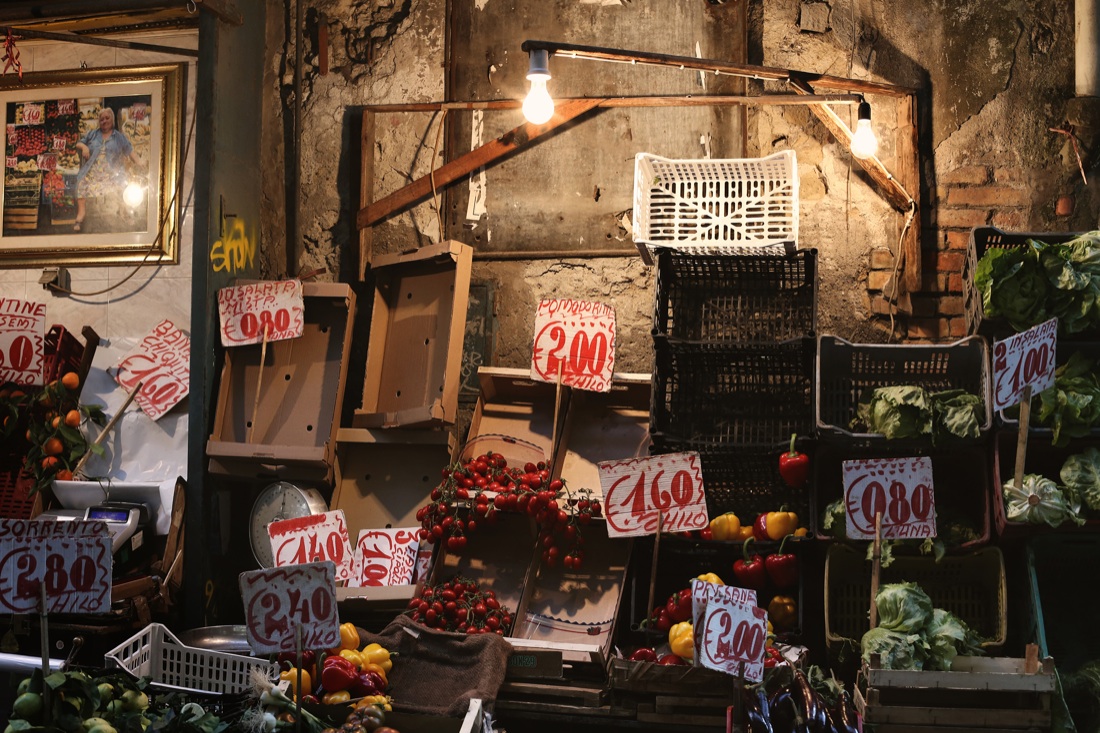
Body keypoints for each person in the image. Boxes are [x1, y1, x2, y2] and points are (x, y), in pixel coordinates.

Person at [72, 107, 143, 231]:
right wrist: (84, 147)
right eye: (101, 119)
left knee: (122, 184)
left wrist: (140, 163)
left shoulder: (119, 137)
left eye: (107, 118)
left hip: (112, 173)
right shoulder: (93, 134)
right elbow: (78, 143)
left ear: (112, 119)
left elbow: (129, 150)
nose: (104, 121)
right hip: (93, 171)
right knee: (82, 183)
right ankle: (81, 214)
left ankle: (123, 211)